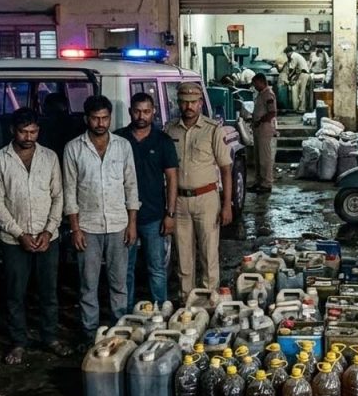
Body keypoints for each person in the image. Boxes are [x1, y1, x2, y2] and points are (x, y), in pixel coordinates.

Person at [0, 108, 72, 365]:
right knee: (15, 293)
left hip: (49, 237)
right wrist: (19, 233)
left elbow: (58, 196)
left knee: (49, 292)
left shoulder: (49, 157)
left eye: (33, 131)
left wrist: (48, 230)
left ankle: (50, 337)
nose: (28, 136)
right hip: (13, 240)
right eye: (23, 131)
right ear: (13, 130)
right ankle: (18, 342)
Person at [63, 95, 140, 341]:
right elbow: (69, 191)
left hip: (119, 224)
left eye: (105, 118)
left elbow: (131, 186)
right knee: (88, 285)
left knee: (119, 283)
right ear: (87, 118)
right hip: (88, 226)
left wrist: (132, 224)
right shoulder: (74, 148)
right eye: (95, 118)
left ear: (110, 118)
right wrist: (75, 229)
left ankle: (119, 331)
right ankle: (89, 334)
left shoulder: (122, 146)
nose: (100, 123)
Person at [165, 83, 233, 298]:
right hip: (179, 201)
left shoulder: (213, 129)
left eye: (193, 102)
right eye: (185, 102)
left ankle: (210, 302)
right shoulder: (170, 129)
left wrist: (227, 205)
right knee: (183, 257)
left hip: (206, 199)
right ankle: (187, 303)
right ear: (179, 103)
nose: (189, 106)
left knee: (208, 254)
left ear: (201, 104)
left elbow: (226, 170)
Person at [115, 92, 178, 308]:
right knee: (125, 269)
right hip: (122, 216)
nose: (141, 115)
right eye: (137, 111)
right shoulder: (118, 139)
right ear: (130, 111)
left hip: (154, 214)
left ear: (154, 113)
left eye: (146, 111)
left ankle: (160, 311)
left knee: (157, 268)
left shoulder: (163, 141)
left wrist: (170, 214)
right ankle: (126, 315)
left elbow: (172, 178)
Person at [248, 74, 277, 194]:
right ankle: (258, 181)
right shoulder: (260, 94)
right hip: (258, 128)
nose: (254, 86)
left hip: (264, 128)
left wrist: (259, 121)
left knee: (265, 158)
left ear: (261, 82)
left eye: (256, 83)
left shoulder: (268, 94)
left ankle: (266, 183)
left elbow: (272, 112)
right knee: (258, 157)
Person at [282, 46, 311, 113]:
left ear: (289, 52)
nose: (287, 55)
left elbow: (292, 68)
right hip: (303, 74)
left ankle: (301, 109)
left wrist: (289, 78)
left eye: (287, 54)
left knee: (302, 92)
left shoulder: (293, 56)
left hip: (303, 74)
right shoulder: (296, 55)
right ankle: (300, 108)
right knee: (301, 92)